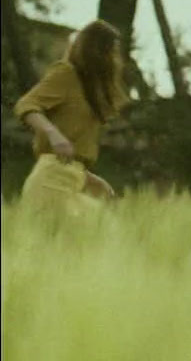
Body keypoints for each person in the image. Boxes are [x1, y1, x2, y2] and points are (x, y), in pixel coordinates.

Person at [14, 20, 127, 216]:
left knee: (109, 229)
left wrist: (90, 178)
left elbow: (74, 158)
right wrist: (53, 134)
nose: (115, 59)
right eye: (111, 51)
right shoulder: (66, 73)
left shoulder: (91, 89)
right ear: (97, 50)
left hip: (72, 179)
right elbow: (26, 105)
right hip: (50, 183)